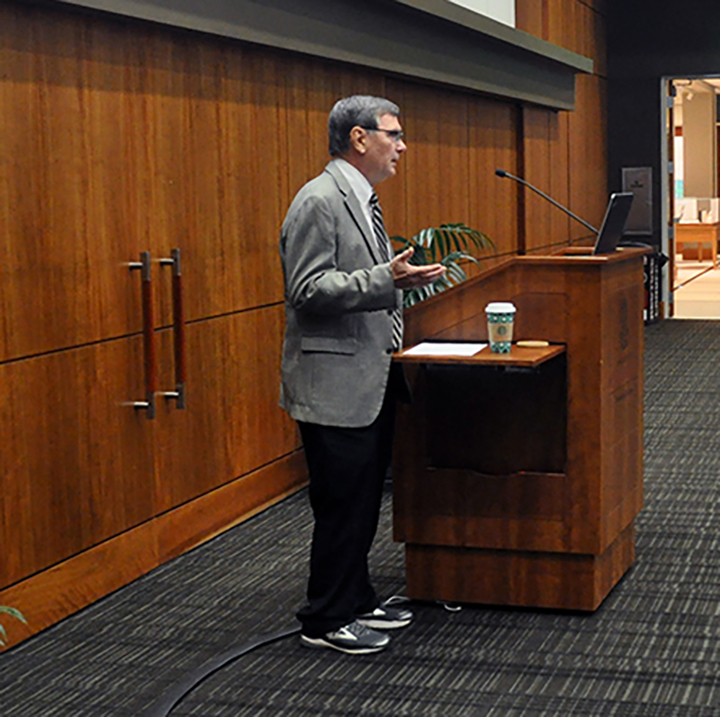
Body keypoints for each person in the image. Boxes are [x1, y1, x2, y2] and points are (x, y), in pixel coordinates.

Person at [279, 95, 445, 655]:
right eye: (393, 135)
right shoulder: (319, 200)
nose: (402, 146)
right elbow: (306, 290)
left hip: (369, 376)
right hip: (333, 383)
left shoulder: (360, 198)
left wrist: (394, 281)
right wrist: (385, 280)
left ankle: (357, 597)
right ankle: (325, 618)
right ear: (358, 138)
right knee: (342, 504)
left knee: (364, 498)